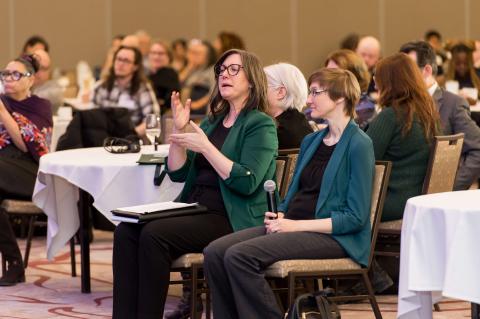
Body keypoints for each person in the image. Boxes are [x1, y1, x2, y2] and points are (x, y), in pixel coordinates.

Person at [112, 49, 278, 318]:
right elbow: (179, 173)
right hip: (196, 208)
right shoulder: (213, 122)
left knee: (155, 235)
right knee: (125, 231)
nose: (224, 74)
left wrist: (206, 147)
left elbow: (247, 182)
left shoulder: (260, 125)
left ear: (252, 80)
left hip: (231, 215)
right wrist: (178, 133)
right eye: (221, 70)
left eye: (234, 69)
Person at [203, 68, 375, 319]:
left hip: (335, 236)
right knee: (215, 252)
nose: (308, 99)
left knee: (240, 257)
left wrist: (294, 226)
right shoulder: (312, 141)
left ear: (339, 98)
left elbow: (355, 217)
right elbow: (294, 192)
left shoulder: (359, 144)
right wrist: (280, 213)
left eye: (316, 92)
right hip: (293, 225)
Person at [367, 53, 440, 222]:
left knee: (321, 201)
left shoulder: (391, 116)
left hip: (388, 203)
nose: (374, 83)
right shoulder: (428, 113)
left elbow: (362, 160)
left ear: (389, 82)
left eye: (377, 78)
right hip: (416, 198)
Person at [0, 55, 53, 286]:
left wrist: (2, 113)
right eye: (5, 74)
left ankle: (14, 264)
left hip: (30, 172)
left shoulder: (40, 107)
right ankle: (14, 263)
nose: (9, 79)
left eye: (16, 74)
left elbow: (28, 144)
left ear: (30, 80)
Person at [400, 41, 480, 190]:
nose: (401, 76)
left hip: (438, 199)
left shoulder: (452, 104)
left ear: (427, 70)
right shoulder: (399, 105)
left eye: (408, 70)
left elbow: (477, 148)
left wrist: (450, 187)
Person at [92, 46, 157, 137]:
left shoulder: (142, 89)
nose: (120, 64)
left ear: (135, 67)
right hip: (104, 140)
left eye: (126, 61)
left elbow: (151, 121)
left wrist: (131, 134)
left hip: (133, 139)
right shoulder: (100, 87)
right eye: (118, 59)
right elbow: (92, 121)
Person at [264, 62, 312, 149]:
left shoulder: (277, 132)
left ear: (280, 92)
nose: (255, 91)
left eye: (262, 86)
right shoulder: (299, 122)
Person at [325, 49, 377, 130]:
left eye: (335, 73)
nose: (327, 78)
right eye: (327, 72)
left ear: (353, 77)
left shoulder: (365, 108)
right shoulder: (326, 101)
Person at [179, 39, 216, 115]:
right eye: (192, 53)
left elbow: (215, 90)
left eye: (198, 53)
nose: (193, 56)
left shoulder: (212, 70)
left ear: (207, 56)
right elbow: (177, 83)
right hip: (186, 109)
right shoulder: (191, 69)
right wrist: (189, 67)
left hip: (201, 111)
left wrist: (198, 104)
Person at [147, 40, 180, 114]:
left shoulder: (170, 74)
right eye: (153, 53)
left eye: (161, 53)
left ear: (168, 57)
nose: (156, 56)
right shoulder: (147, 75)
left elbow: (168, 101)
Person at [31, 49, 63, 115]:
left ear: (49, 71)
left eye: (43, 68)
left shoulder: (55, 90)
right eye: (35, 66)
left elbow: (31, 102)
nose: (38, 72)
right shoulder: (27, 87)